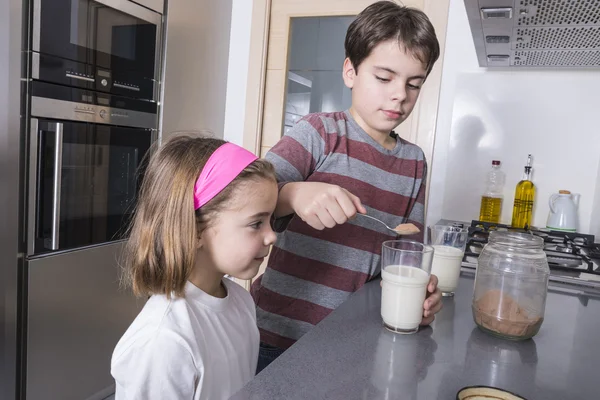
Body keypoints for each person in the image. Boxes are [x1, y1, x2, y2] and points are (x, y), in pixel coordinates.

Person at [252, 1, 443, 373]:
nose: (399, 95)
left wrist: (420, 291)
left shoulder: (414, 160)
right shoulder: (319, 132)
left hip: (356, 343)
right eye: (384, 78)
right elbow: (245, 199)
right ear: (350, 71)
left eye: (413, 84)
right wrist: (292, 194)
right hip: (277, 336)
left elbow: (407, 253)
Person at [111, 134, 278, 399]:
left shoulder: (242, 302)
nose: (272, 236)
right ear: (196, 230)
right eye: (257, 223)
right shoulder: (163, 341)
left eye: (271, 221)